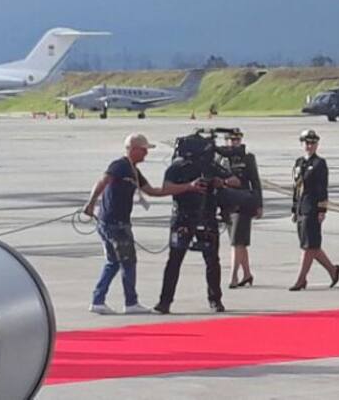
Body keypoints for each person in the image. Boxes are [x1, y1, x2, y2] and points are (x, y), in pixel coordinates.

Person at [84, 133, 201, 315]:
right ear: (134, 149)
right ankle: (131, 303)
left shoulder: (133, 171)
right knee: (128, 262)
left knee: (113, 262)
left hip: (112, 222)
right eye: (144, 150)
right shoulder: (120, 165)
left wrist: (188, 186)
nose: (146, 154)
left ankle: (98, 300)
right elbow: (103, 181)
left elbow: (154, 191)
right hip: (115, 223)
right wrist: (91, 203)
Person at [155, 131, 241, 314]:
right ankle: (165, 301)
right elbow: (166, 188)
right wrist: (189, 186)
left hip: (207, 217)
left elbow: (235, 180)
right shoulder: (177, 168)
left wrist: (221, 182)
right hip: (183, 218)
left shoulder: (211, 167)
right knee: (174, 261)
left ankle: (215, 300)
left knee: (212, 260)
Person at [289, 130, 339, 291]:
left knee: (308, 246)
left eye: (312, 143)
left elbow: (322, 188)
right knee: (312, 246)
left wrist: (322, 209)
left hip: (312, 207)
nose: (309, 146)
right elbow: (296, 187)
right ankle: (333, 270)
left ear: (317, 145)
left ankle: (301, 279)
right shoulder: (299, 162)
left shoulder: (320, 163)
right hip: (301, 207)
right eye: (306, 143)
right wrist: (293, 208)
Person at [223, 129, 263, 289]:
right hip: (227, 204)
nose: (235, 143)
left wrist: (259, 204)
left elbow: (255, 181)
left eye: (237, 140)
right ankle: (247, 274)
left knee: (236, 242)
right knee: (239, 242)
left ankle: (234, 276)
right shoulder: (222, 159)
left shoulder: (248, 158)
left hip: (244, 203)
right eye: (231, 140)